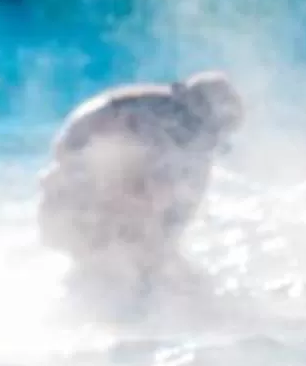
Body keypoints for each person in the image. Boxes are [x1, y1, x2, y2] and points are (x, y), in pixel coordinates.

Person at [37, 72, 245, 319]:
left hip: (69, 193)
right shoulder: (153, 124)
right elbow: (167, 202)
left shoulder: (156, 115)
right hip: (76, 198)